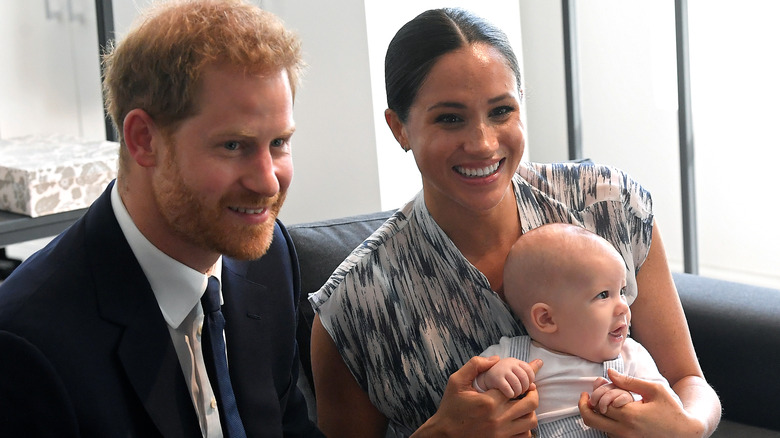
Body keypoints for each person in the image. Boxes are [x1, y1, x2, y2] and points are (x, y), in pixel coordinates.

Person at [309, 7, 721, 438]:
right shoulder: (354, 306)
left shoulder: (608, 205)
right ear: (400, 129)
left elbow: (688, 381)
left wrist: (688, 425)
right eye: (450, 118)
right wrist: (441, 433)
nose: (483, 143)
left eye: (501, 111)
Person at [0, 1, 322, 437]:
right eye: (233, 146)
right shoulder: (27, 344)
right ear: (143, 139)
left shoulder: (267, 256)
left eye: (279, 142)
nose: (268, 182)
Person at [473, 223, 682, 436]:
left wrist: (632, 403)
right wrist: (489, 380)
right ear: (546, 318)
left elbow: (671, 412)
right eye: (603, 295)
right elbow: (469, 404)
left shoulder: (631, 356)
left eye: (621, 291)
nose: (623, 306)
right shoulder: (509, 357)